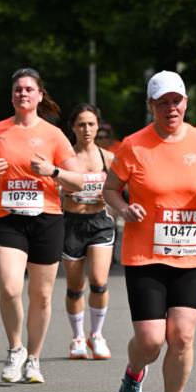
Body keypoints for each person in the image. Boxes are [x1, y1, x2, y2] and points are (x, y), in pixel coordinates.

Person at [103, 70, 196, 392]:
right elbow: (110, 190)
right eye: (162, 103)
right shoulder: (133, 145)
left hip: (191, 255)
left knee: (183, 336)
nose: (171, 108)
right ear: (151, 106)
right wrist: (124, 209)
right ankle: (134, 372)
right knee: (152, 340)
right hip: (146, 255)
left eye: (176, 101)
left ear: (186, 103)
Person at [0, 67, 83, 384]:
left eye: (29, 89)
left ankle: (34, 358)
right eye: (18, 89)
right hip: (7, 218)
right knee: (9, 287)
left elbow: (78, 182)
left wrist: (53, 171)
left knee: (42, 296)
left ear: (39, 95)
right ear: (12, 95)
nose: (23, 93)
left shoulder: (54, 135)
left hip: (47, 219)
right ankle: (15, 348)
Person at [62, 103, 116, 359]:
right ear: (73, 127)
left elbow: (118, 190)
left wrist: (109, 199)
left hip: (100, 223)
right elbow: (52, 193)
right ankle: (77, 338)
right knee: (75, 287)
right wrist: (65, 193)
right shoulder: (64, 158)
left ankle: (97, 335)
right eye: (81, 124)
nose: (86, 129)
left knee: (98, 281)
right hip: (71, 224)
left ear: (98, 126)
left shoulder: (108, 158)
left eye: (91, 124)